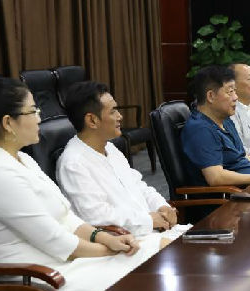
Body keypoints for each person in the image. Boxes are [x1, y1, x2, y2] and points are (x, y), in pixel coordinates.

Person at [0, 77, 162, 291]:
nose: (40, 118)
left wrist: (106, 238)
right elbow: (58, 242)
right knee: (148, 269)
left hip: (66, 267)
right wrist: (111, 250)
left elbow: (67, 218)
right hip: (41, 283)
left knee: (153, 260)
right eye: (33, 111)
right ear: (8, 122)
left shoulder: (24, 160)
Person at [57, 81, 178, 235]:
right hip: (125, 241)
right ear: (92, 120)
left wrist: (162, 207)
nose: (120, 116)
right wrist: (148, 220)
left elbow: (138, 186)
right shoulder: (73, 163)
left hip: (153, 231)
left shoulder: (110, 148)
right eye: (113, 111)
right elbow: (97, 216)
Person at [181, 65, 250, 187]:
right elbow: (216, 178)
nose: (236, 97)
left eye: (235, 91)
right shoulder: (201, 130)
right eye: (230, 92)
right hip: (233, 194)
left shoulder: (225, 120)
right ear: (211, 96)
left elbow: (243, 154)